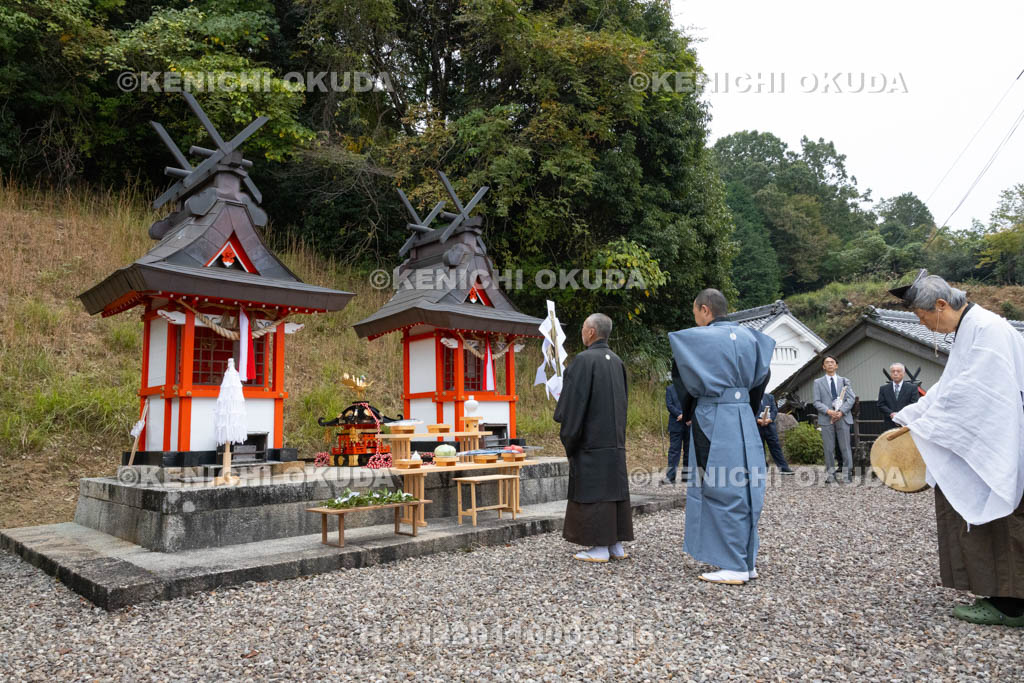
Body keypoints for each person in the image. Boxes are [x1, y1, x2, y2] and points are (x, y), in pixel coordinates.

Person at [889, 271, 1024, 626]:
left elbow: (977, 392)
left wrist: (925, 421)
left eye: (922, 318)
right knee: (982, 514)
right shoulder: (971, 329)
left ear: (941, 304)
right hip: (989, 440)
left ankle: (1011, 605)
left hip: (999, 443)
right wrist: (913, 416)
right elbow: (952, 386)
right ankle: (1000, 595)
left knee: (1001, 517)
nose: (925, 325)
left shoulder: (987, 329)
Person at [669, 288, 775, 584]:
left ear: (705, 309)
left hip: (713, 415)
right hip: (743, 415)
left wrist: (688, 411)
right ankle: (746, 559)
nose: (695, 318)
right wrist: (747, 406)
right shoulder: (751, 338)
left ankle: (733, 563)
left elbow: (684, 379)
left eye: (695, 312)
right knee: (746, 485)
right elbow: (762, 377)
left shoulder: (696, 339)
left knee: (717, 484)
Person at [553, 312, 633, 563]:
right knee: (614, 490)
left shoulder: (584, 361)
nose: (582, 332)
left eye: (583, 328)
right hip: (614, 441)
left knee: (595, 492)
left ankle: (599, 548)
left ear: (591, 332)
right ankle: (615, 544)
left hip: (590, 442)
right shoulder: (617, 361)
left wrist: (569, 435)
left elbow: (574, 405)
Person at [812, 357, 856, 483]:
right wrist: (829, 411)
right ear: (823, 367)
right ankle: (831, 476)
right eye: (827, 363)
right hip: (826, 418)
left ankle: (847, 476)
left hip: (843, 417)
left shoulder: (844, 381)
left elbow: (851, 399)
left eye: (832, 362)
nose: (830, 364)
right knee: (828, 448)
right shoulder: (818, 382)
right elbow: (816, 401)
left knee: (845, 447)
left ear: (836, 365)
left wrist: (841, 412)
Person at [757, 392, 795, 474]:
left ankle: (784, 468)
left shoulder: (770, 397)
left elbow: (774, 410)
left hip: (770, 426)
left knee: (776, 447)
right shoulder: (751, 395)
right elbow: (749, 410)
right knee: (759, 448)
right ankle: (763, 467)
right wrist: (757, 420)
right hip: (757, 426)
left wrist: (769, 420)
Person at [661, 380, 691, 485]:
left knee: (688, 451)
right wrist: (680, 415)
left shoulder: (690, 387)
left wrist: (687, 416)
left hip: (688, 424)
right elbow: (669, 405)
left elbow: (693, 404)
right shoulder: (670, 389)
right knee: (674, 451)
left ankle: (686, 477)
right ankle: (670, 477)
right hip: (675, 424)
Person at [877, 362, 919, 431]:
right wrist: (891, 414)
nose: (895, 373)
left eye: (898, 371)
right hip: (889, 424)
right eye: (893, 371)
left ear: (904, 373)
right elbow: (880, 405)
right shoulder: (883, 388)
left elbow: (914, 403)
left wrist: (900, 414)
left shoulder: (912, 388)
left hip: (907, 424)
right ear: (890, 374)